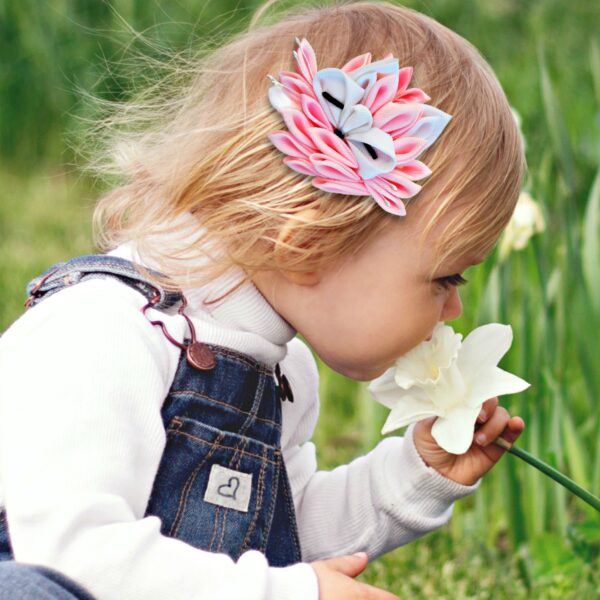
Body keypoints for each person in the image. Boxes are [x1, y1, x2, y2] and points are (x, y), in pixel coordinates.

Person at [0, 2, 526, 599]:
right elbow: (77, 558)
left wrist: (414, 476)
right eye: (444, 279)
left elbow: (274, 537)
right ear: (309, 245)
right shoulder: (103, 331)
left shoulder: (279, 371)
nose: (454, 309)